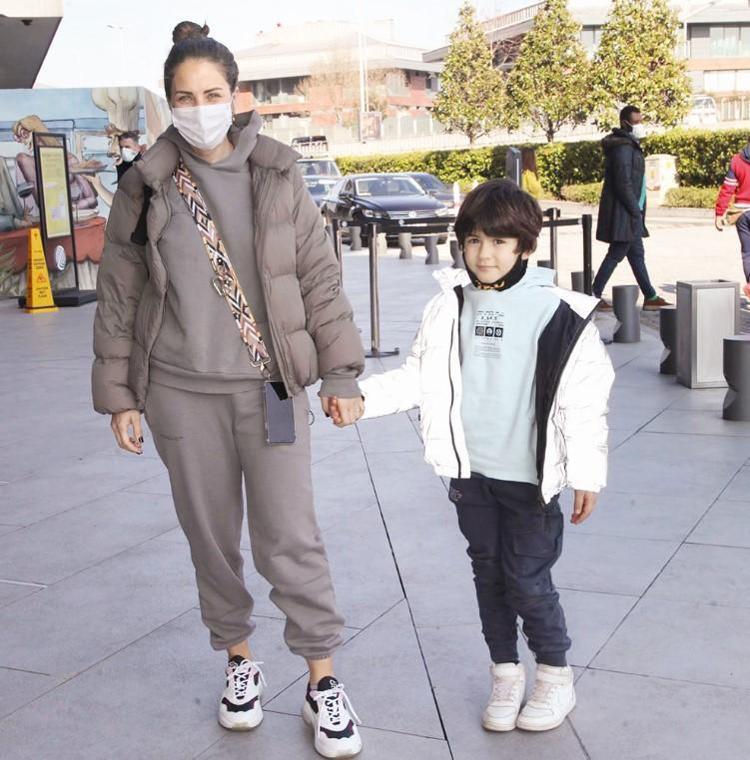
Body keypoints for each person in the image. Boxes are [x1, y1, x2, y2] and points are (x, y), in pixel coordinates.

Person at [91, 20, 365, 759]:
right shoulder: (145, 183)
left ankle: (322, 680)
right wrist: (121, 395)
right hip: (180, 394)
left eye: (213, 94)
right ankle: (240, 661)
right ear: (169, 102)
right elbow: (119, 295)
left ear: (236, 96)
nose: (201, 108)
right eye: (185, 97)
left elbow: (318, 277)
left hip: (270, 388)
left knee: (290, 537)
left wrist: (341, 372)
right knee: (210, 539)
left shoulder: (277, 172)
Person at [331, 179, 615, 734]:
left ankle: (555, 675)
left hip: (531, 480)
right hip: (471, 474)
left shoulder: (561, 313)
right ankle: (505, 673)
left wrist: (587, 473)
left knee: (528, 580)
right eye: (475, 240)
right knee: (489, 577)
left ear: (525, 246)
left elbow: (584, 402)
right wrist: (363, 401)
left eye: (500, 241)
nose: (485, 254)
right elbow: (420, 376)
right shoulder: (450, 305)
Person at [592, 105, 670, 311]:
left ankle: (650, 296)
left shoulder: (630, 145)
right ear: (625, 123)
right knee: (616, 254)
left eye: (641, 121)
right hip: (626, 212)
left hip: (632, 212)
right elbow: (623, 182)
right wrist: (635, 209)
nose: (639, 125)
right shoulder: (623, 148)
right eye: (636, 122)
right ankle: (593, 294)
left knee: (636, 255)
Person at [714, 140, 750, 298]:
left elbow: (727, 189)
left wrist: (719, 213)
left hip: (741, 214)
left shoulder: (737, 160)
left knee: (747, 253)